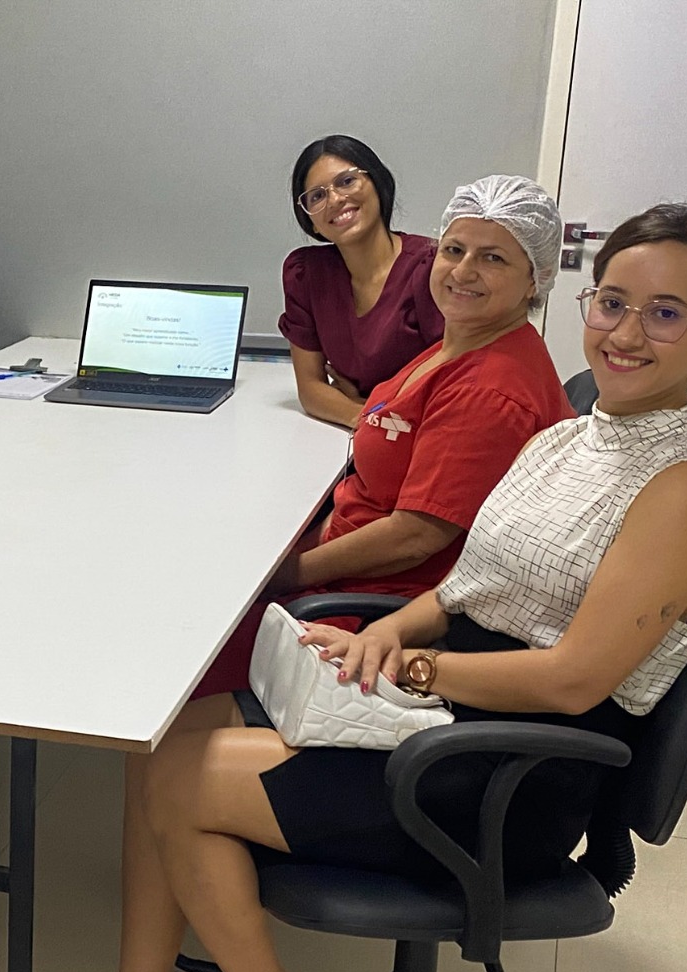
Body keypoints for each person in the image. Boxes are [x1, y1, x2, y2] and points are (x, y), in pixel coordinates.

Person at [64, 203, 687, 972]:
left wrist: (417, 671)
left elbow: (573, 680)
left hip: (511, 769)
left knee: (176, 775)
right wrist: (395, 632)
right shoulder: (576, 430)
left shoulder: (681, 489)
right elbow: (474, 580)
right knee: (176, 732)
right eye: (613, 302)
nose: (625, 332)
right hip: (453, 714)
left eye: (665, 313)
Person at [192, 175, 574, 700]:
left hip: (376, 601)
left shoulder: (490, 389)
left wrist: (284, 574)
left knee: (189, 637)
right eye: (455, 249)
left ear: (536, 279)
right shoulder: (457, 346)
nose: (463, 271)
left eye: (493, 259)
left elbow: (414, 538)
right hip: (350, 561)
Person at [280, 136, 445, 429]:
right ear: (310, 220)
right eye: (317, 196)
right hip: (358, 436)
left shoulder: (431, 268)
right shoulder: (306, 274)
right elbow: (311, 391)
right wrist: (367, 416)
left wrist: (361, 405)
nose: (335, 200)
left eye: (346, 181)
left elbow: (449, 383)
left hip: (428, 436)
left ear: (377, 183)